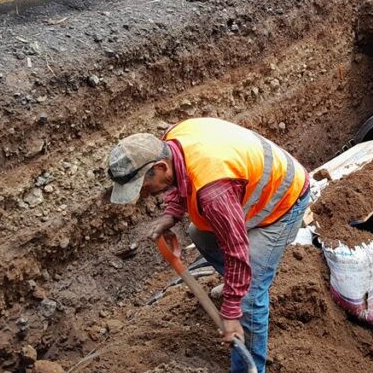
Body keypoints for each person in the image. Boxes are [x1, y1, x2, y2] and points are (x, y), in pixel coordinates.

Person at [106, 118, 310, 373]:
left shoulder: (214, 192)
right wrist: (172, 212)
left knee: (249, 296)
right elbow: (178, 179)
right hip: (249, 192)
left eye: (144, 188)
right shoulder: (171, 141)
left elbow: (236, 249)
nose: (144, 195)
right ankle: (241, 284)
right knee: (199, 233)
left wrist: (232, 310)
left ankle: (251, 367)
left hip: (284, 201)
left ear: (159, 167)